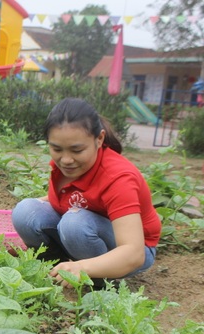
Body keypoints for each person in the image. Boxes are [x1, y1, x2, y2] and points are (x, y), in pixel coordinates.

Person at [11, 98, 161, 285]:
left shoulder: (118, 178)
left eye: (77, 150)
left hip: (133, 250)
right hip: (87, 230)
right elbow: (66, 200)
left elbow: (134, 253)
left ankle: (98, 283)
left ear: (99, 139)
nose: (66, 159)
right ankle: (55, 269)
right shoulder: (67, 167)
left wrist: (83, 267)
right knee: (25, 210)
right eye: (56, 148)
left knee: (74, 223)